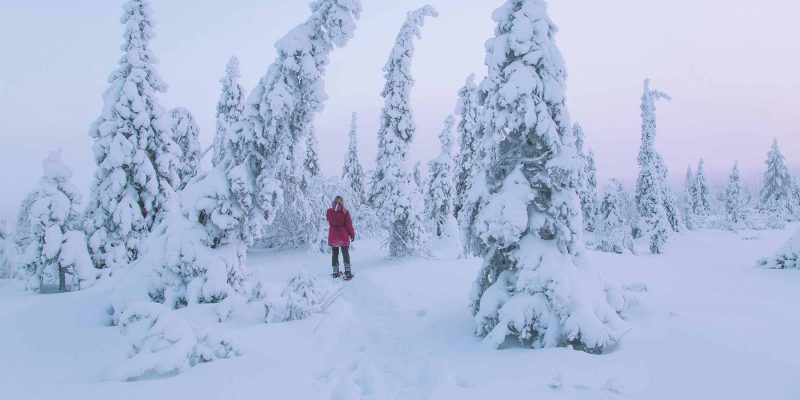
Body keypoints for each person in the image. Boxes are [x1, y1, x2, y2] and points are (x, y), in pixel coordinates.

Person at [326, 196, 356, 280]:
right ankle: (348, 272)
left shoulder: (329, 211)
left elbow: (328, 219)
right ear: (342, 202)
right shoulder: (345, 212)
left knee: (335, 254)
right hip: (343, 236)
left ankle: (335, 272)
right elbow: (349, 225)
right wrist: (352, 235)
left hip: (333, 235)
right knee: (345, 254)